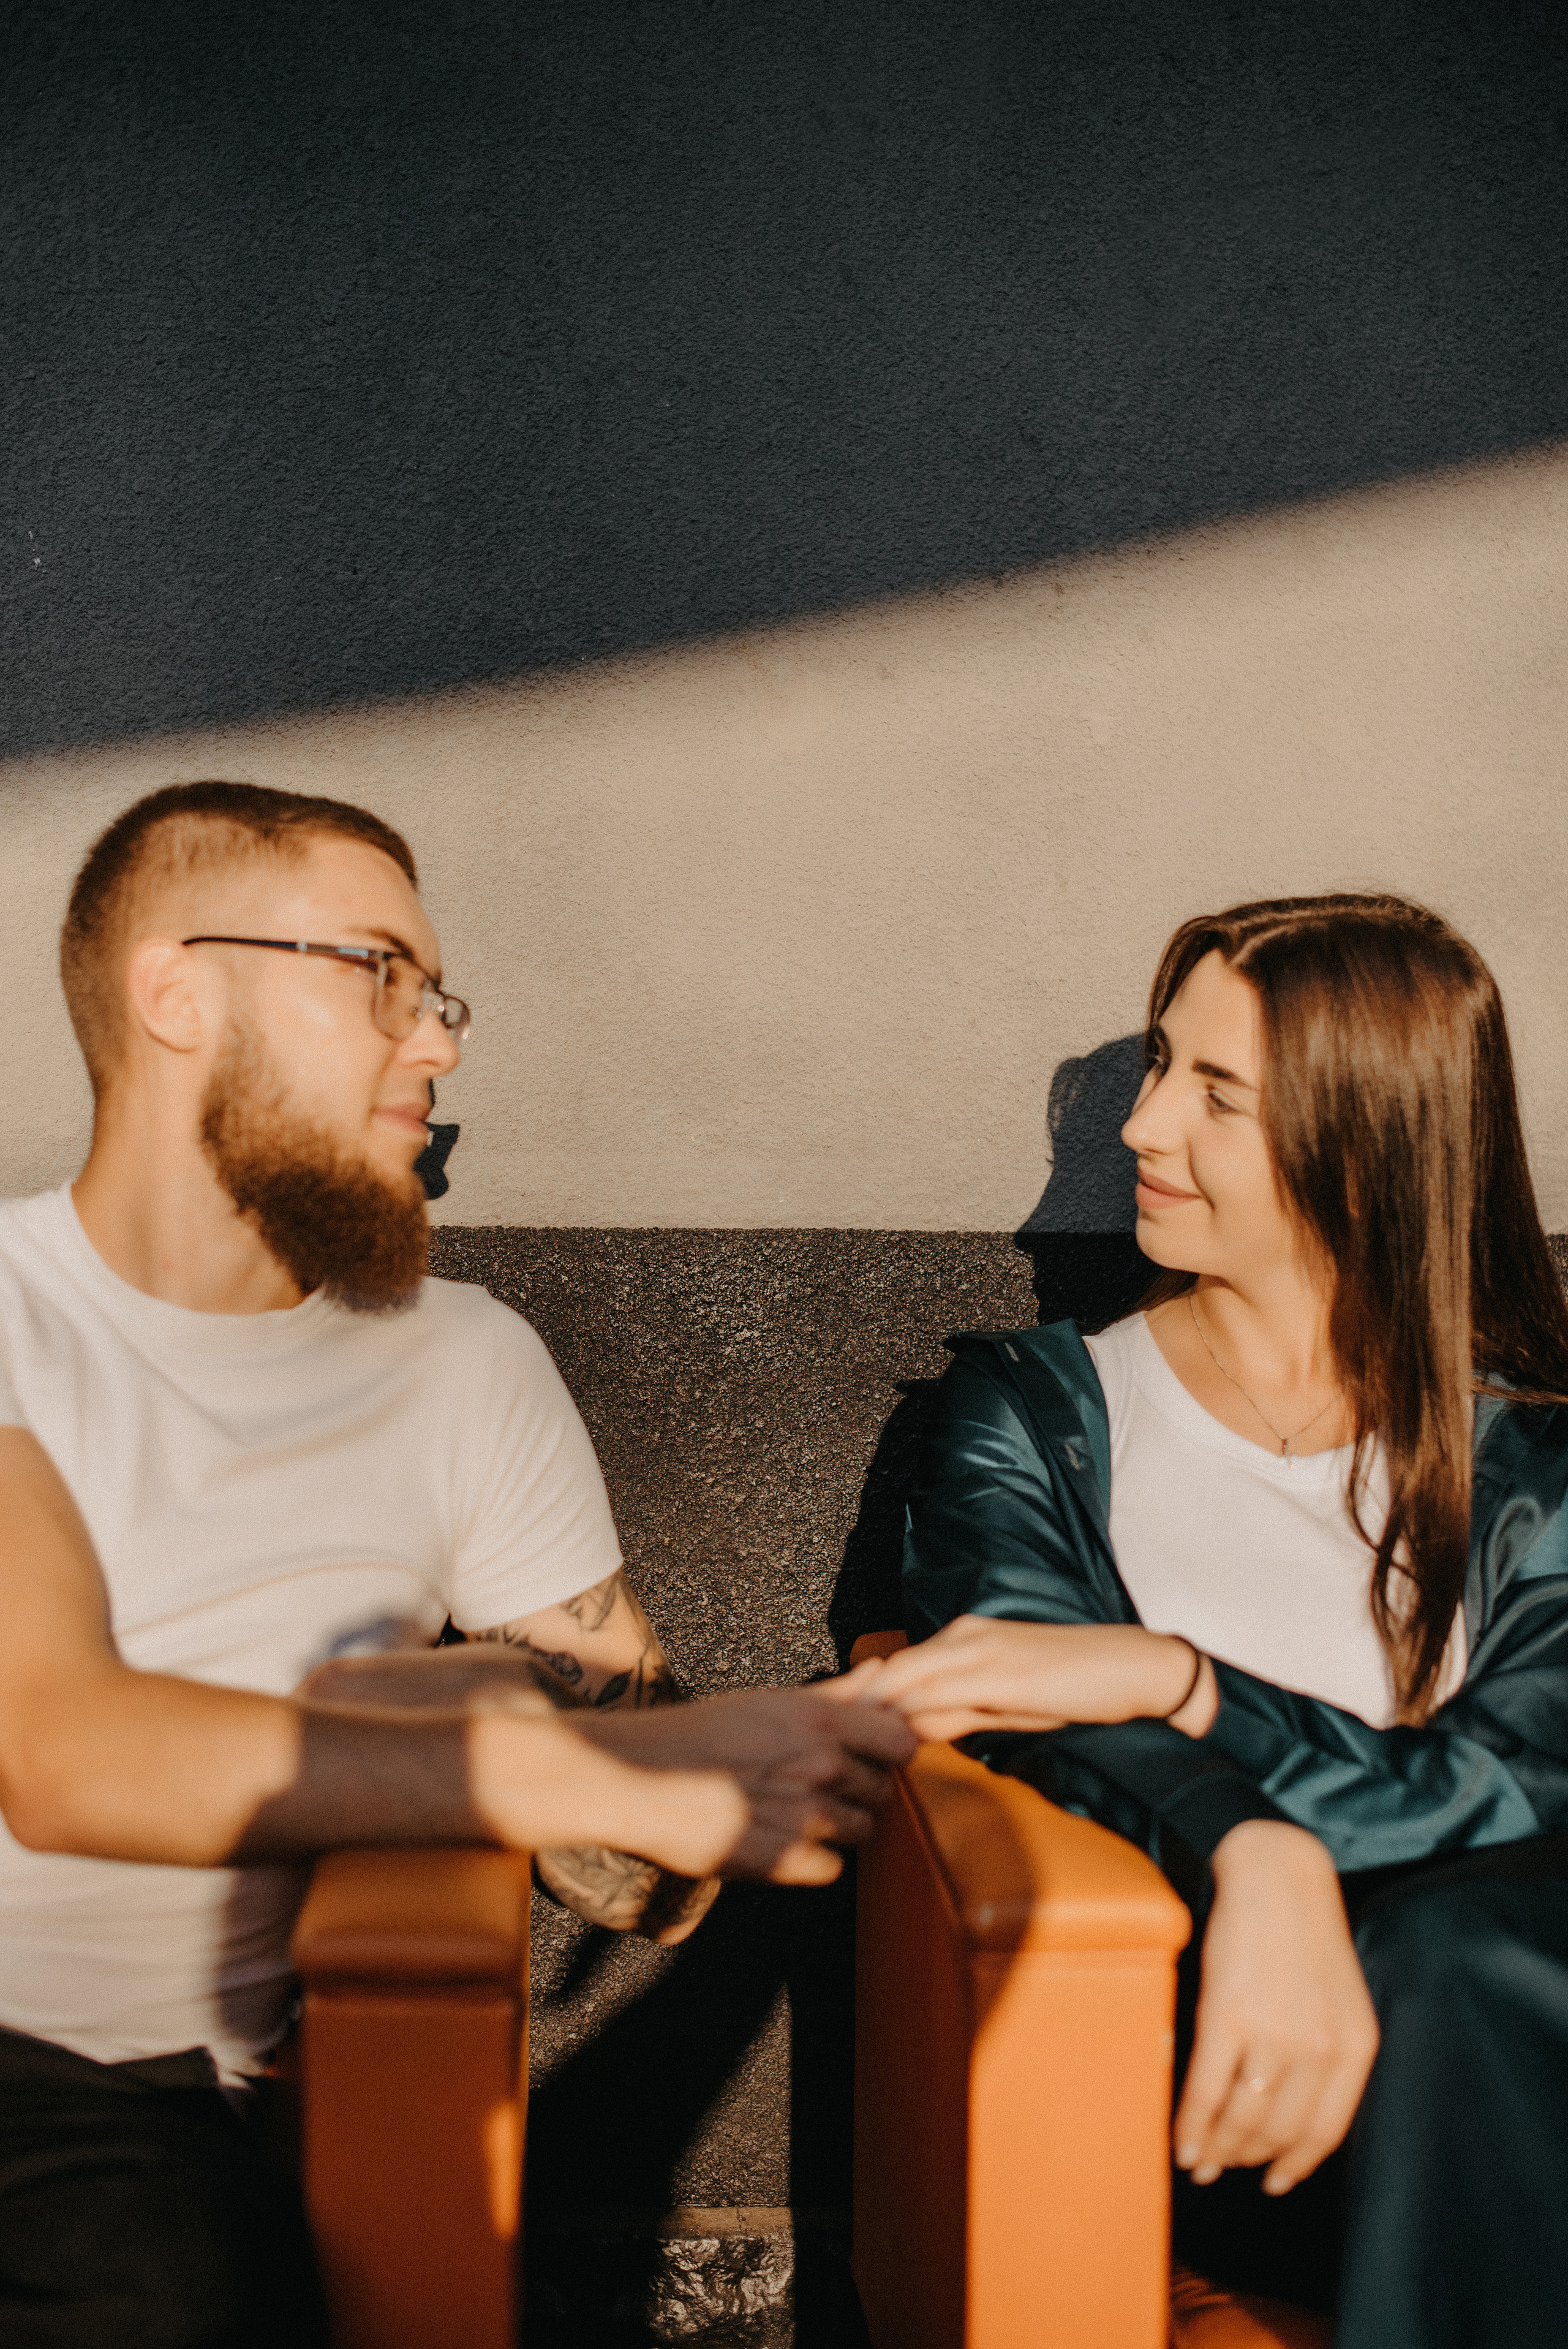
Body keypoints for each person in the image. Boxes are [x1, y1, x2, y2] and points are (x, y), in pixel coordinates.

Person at [0, 779, 912, 2348]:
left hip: (124, 2123)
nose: (439, 1042)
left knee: (155, 2282)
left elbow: (660, 1879)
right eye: (380, 978)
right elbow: (65, 1754)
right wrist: (545, 1769)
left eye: (437, 996)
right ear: (175, 994)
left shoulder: (462, 1366)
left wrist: (654, 1731)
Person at [850, 894, 1568, 2349]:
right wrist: (1259, 1850)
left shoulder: (1536, 1460)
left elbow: (1504, 1793)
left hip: (1503, 2061)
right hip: (1244, 2097)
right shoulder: (1035, 1416)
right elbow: (1028, 1700)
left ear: (1365, 1143)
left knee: (1457, 1954)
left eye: (1212, 1093)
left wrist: (1187, 1684)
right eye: (1158, 1067)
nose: (1139, 1128)